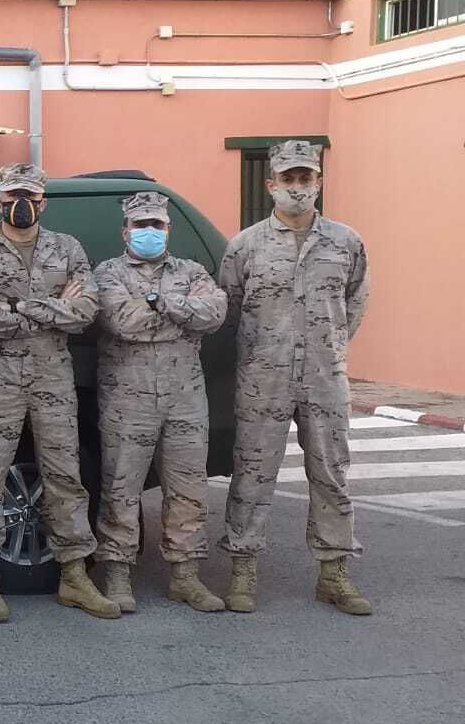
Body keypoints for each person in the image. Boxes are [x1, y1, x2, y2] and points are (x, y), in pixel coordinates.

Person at [0, 162, 120, 621]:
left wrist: (20, 306)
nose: (20, 205)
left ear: (43, 201)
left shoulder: (66, 248)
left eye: (28, 196)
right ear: (0, 202)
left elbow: (87, 311)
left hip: (52, 380)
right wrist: (54, 307)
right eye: (12, 197)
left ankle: (74, 576)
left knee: (64, 477)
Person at [219, 140, 371, 615]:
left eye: (306, 178)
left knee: (330, 475)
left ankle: (334, 574)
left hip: (325, 379)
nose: (298, 187)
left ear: (319, 182)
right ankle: (242, 571)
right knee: (252, 476)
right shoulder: (245, 246)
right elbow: (229, 309)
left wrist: (329, 348)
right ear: (271, 185)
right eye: (288, 179)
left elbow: (355, 304)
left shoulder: (346, 242)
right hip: (263, 379)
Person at [92, 191, 228, 613]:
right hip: (127, 398)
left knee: (188, 488)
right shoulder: (108, 273)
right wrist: (182, 315)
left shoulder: (191, 270)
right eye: (140, 225)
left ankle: (185, 576)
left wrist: (158, 302)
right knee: (121, 487)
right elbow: (121, 321)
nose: (148, 232)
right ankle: (117, 573)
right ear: (125, 231)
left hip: (184, 397)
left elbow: (216, 312)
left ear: (168, 229)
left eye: (156, 225)